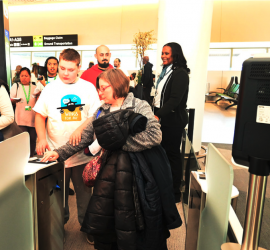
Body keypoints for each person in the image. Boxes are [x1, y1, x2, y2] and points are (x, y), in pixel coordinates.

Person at [41, 69, 162, 247]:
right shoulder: (100, 111)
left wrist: (114, 143)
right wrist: (59, 152)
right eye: (99, 88)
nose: (99, 92)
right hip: (108, 172)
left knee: (133, 215)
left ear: (117, 86)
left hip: (136, 174)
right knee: (109, 214)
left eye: (103, 88)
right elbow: (84, 137)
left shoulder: (139, 106)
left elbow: (154, 135)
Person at [33, 48, 101, 244]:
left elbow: (96, 115)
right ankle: (58, 227)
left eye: (70, 69)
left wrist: (81, 128)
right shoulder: (50, 88)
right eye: (62, 68)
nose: (65, 73)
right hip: (56, 154)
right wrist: (40, 138)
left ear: (78, 67)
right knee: (57, 196)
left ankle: (87, 227)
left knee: (85, 196)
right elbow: (39, 115)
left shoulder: (87, 88)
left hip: (82, 155)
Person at [153, 42, 190, 203]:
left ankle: (175, 191)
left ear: (175, 55)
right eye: (162, 53)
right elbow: (159, 96)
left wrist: (158, 115)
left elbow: (175, 100)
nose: (163, 56)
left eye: (167, 53)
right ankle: (163, 186)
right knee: (162, 154)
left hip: (172, 120)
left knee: (172, 155)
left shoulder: (180, 73)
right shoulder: (165, 72)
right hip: (162, 118)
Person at [10, 67, 37, 157]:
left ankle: (31, 156)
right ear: (19, 76)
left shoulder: (34, 87)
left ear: (30, 77)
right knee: (23, 139)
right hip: (20, 118)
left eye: (26, 75)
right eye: (22, 76)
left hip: (32, 118)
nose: (24, 78)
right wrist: (15, 100)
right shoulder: (16, 86)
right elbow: (11, 99)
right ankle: (22, 157)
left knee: (33, 139)